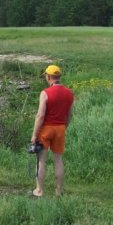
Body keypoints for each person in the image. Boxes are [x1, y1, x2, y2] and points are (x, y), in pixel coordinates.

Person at [30, 64, 74, 197]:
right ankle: (59, 191)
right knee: (58, 160)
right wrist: (64, 126)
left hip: (46, 129)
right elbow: (70, 114)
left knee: (42, 160)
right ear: (58, 77)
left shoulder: (45, 93)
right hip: (60, 129)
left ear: (49, 77)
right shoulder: (69, 93)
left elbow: (40, 115)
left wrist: (34, 135)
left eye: (46, 76)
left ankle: (39, 190)